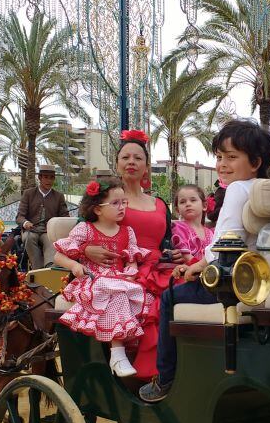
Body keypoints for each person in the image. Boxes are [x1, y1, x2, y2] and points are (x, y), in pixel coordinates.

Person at [139, 120, 270, 403]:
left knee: (170, 297)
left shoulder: (239, 190)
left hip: (234, 286)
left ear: (255, 162)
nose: (223, 165)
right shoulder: (268, 188)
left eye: (232, 157)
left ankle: (165, 379)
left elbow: (224, 245)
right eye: (219, 157)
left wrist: (195, 267)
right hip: (263, 281)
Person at [82, 129, 181, 379]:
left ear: (146, 167)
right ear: (117, 164)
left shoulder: (159, 204)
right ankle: (145, 371)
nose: (131, 162)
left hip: (158, 266)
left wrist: (176, 254)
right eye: (125, 157)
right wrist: (87, 249)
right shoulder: (107, 200)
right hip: (122, 267)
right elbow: (84, 232)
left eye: (138, 158)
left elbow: (166, 240)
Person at [52, 178, 156, 377]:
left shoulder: (128, 232)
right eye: (115, 203)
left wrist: (132, 272)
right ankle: (117, 354)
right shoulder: (86, 229)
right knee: (116, 294)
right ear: (97, 209)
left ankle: (137, 352)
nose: (122, 207)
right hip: (93, 279)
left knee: (146, 299)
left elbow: (131, 259)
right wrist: (75, 266)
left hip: (119, 278)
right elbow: (58, 254)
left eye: (124, 202)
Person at [17, 164, 70, 270]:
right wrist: (26, 223)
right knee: (29, 238)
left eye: (51, 178)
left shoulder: (58, 196)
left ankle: (49, 268)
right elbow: (20, 216)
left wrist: (59, 225)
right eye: (45, 177)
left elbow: (65, 216)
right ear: (40, 178)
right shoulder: (28, 194)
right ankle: (38, 269)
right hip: (31, 230)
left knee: (52, 241)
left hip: (48, 231)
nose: (48, 180)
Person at [170, 184, 214, 263]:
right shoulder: (178, 228)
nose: (188, 204)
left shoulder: (210, 233)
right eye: (182, 202)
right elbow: (186, 256)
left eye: (193, 200)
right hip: (188, 272)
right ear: (177, 210)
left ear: (204, 205)